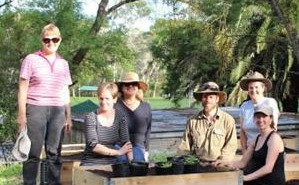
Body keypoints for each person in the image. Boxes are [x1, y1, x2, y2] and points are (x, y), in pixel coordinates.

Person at [17, 23, 72, 184]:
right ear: (42, 41)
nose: (51, 43)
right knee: (33, 153)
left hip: (58, 111)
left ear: (60, 40)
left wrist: (68, 115)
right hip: (36, 109)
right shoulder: (31, 59)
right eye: (47, 40)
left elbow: (65, 90)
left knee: (54, 153)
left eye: (55, 39)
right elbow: (22, 89)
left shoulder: (64, 63)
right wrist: (21, 116)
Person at [215, 105, 285, 185]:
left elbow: (268, 168)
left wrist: (245, 178)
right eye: (258, 117)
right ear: (254, 119)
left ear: (270, 119)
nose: (261, 120)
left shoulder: (274, 138)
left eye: (264, 117)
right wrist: (225, 163)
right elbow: (242, 162)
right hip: (256, 181)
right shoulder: (256, 139)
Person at [178, 82, 238, 164]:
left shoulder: (228, 120)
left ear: (217, 99)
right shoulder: (192, 121)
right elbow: (185, 146)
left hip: (219, 166)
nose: (207, 100)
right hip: (197, 165)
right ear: (201, 99)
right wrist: (184, 163)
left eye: (211, 97)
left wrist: (221, 162)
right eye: (205, 97)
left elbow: (230, 146)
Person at [81, 82, 133, 166]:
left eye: (107, 98)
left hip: (113, 164)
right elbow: (93, 146)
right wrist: (118, 152)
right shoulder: (91, 117)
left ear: (115, 99)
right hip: (91, 163)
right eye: (101, 98)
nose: (104, 102)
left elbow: (126, 143)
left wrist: (132, 162)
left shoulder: (120, 117)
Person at [239, 70, 280, 154]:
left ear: (263, 88)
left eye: (256, 87)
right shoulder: (244, 106)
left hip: (266, 149)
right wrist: (244, 151)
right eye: (251, 88)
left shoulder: (270, 102)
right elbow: (242, 131)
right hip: (249, 150)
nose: (253, 90)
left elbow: (273, 128)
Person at [115, 72, 152, 162]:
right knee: (122, 165)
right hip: (119, 147)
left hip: (139, 147)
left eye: (134, 83)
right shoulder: (114, 107)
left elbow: (148, 131)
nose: (130, 86)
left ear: (138, 87)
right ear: (121, 87)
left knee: (138, 164)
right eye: (127, 84)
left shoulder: (146, 107)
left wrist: (146, 151)